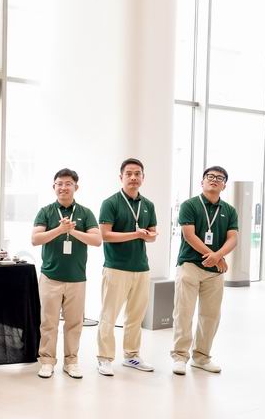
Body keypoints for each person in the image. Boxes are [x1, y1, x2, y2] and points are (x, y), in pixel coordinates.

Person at [32, 168, 101, 380]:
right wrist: (59, 230)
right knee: (49, 323)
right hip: (50, 277)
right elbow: (35, 239)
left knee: (74, 323)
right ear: (54, 187)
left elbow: (97, 240)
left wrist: (72, 231)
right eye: (59, 184)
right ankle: (47, 361)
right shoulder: (46, 211)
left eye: (68, 183)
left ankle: (71, 362)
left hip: (76, 278)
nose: (63, 187)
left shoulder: (85, 213)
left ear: (76, 187)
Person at [171, 166, 238, 375]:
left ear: (224, 185)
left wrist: (218, 257)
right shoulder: (190, 205)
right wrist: (215, 256)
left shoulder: (229, 210)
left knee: (210, 315)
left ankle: (201, 357)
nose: (214, 180)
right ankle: (180, 357)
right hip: (190, 265)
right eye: (210, 176)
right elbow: (189, 235)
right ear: (202, 182)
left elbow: (233, 238)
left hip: (214, 272)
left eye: (220, 178)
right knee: (183, 313)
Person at [96, 158, 158, 376]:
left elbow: (152, 236)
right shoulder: (110, 203)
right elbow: (105, 235)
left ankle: (131, 355)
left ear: (143, 177)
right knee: (109, 316)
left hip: (141, 268)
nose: (133, 177)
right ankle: (104, 358)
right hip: (116, 267)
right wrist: (136, 234)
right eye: (129, 173)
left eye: (137, 173)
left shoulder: (148, 205)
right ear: (120, 177)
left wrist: (148, 235)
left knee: (135, 316)